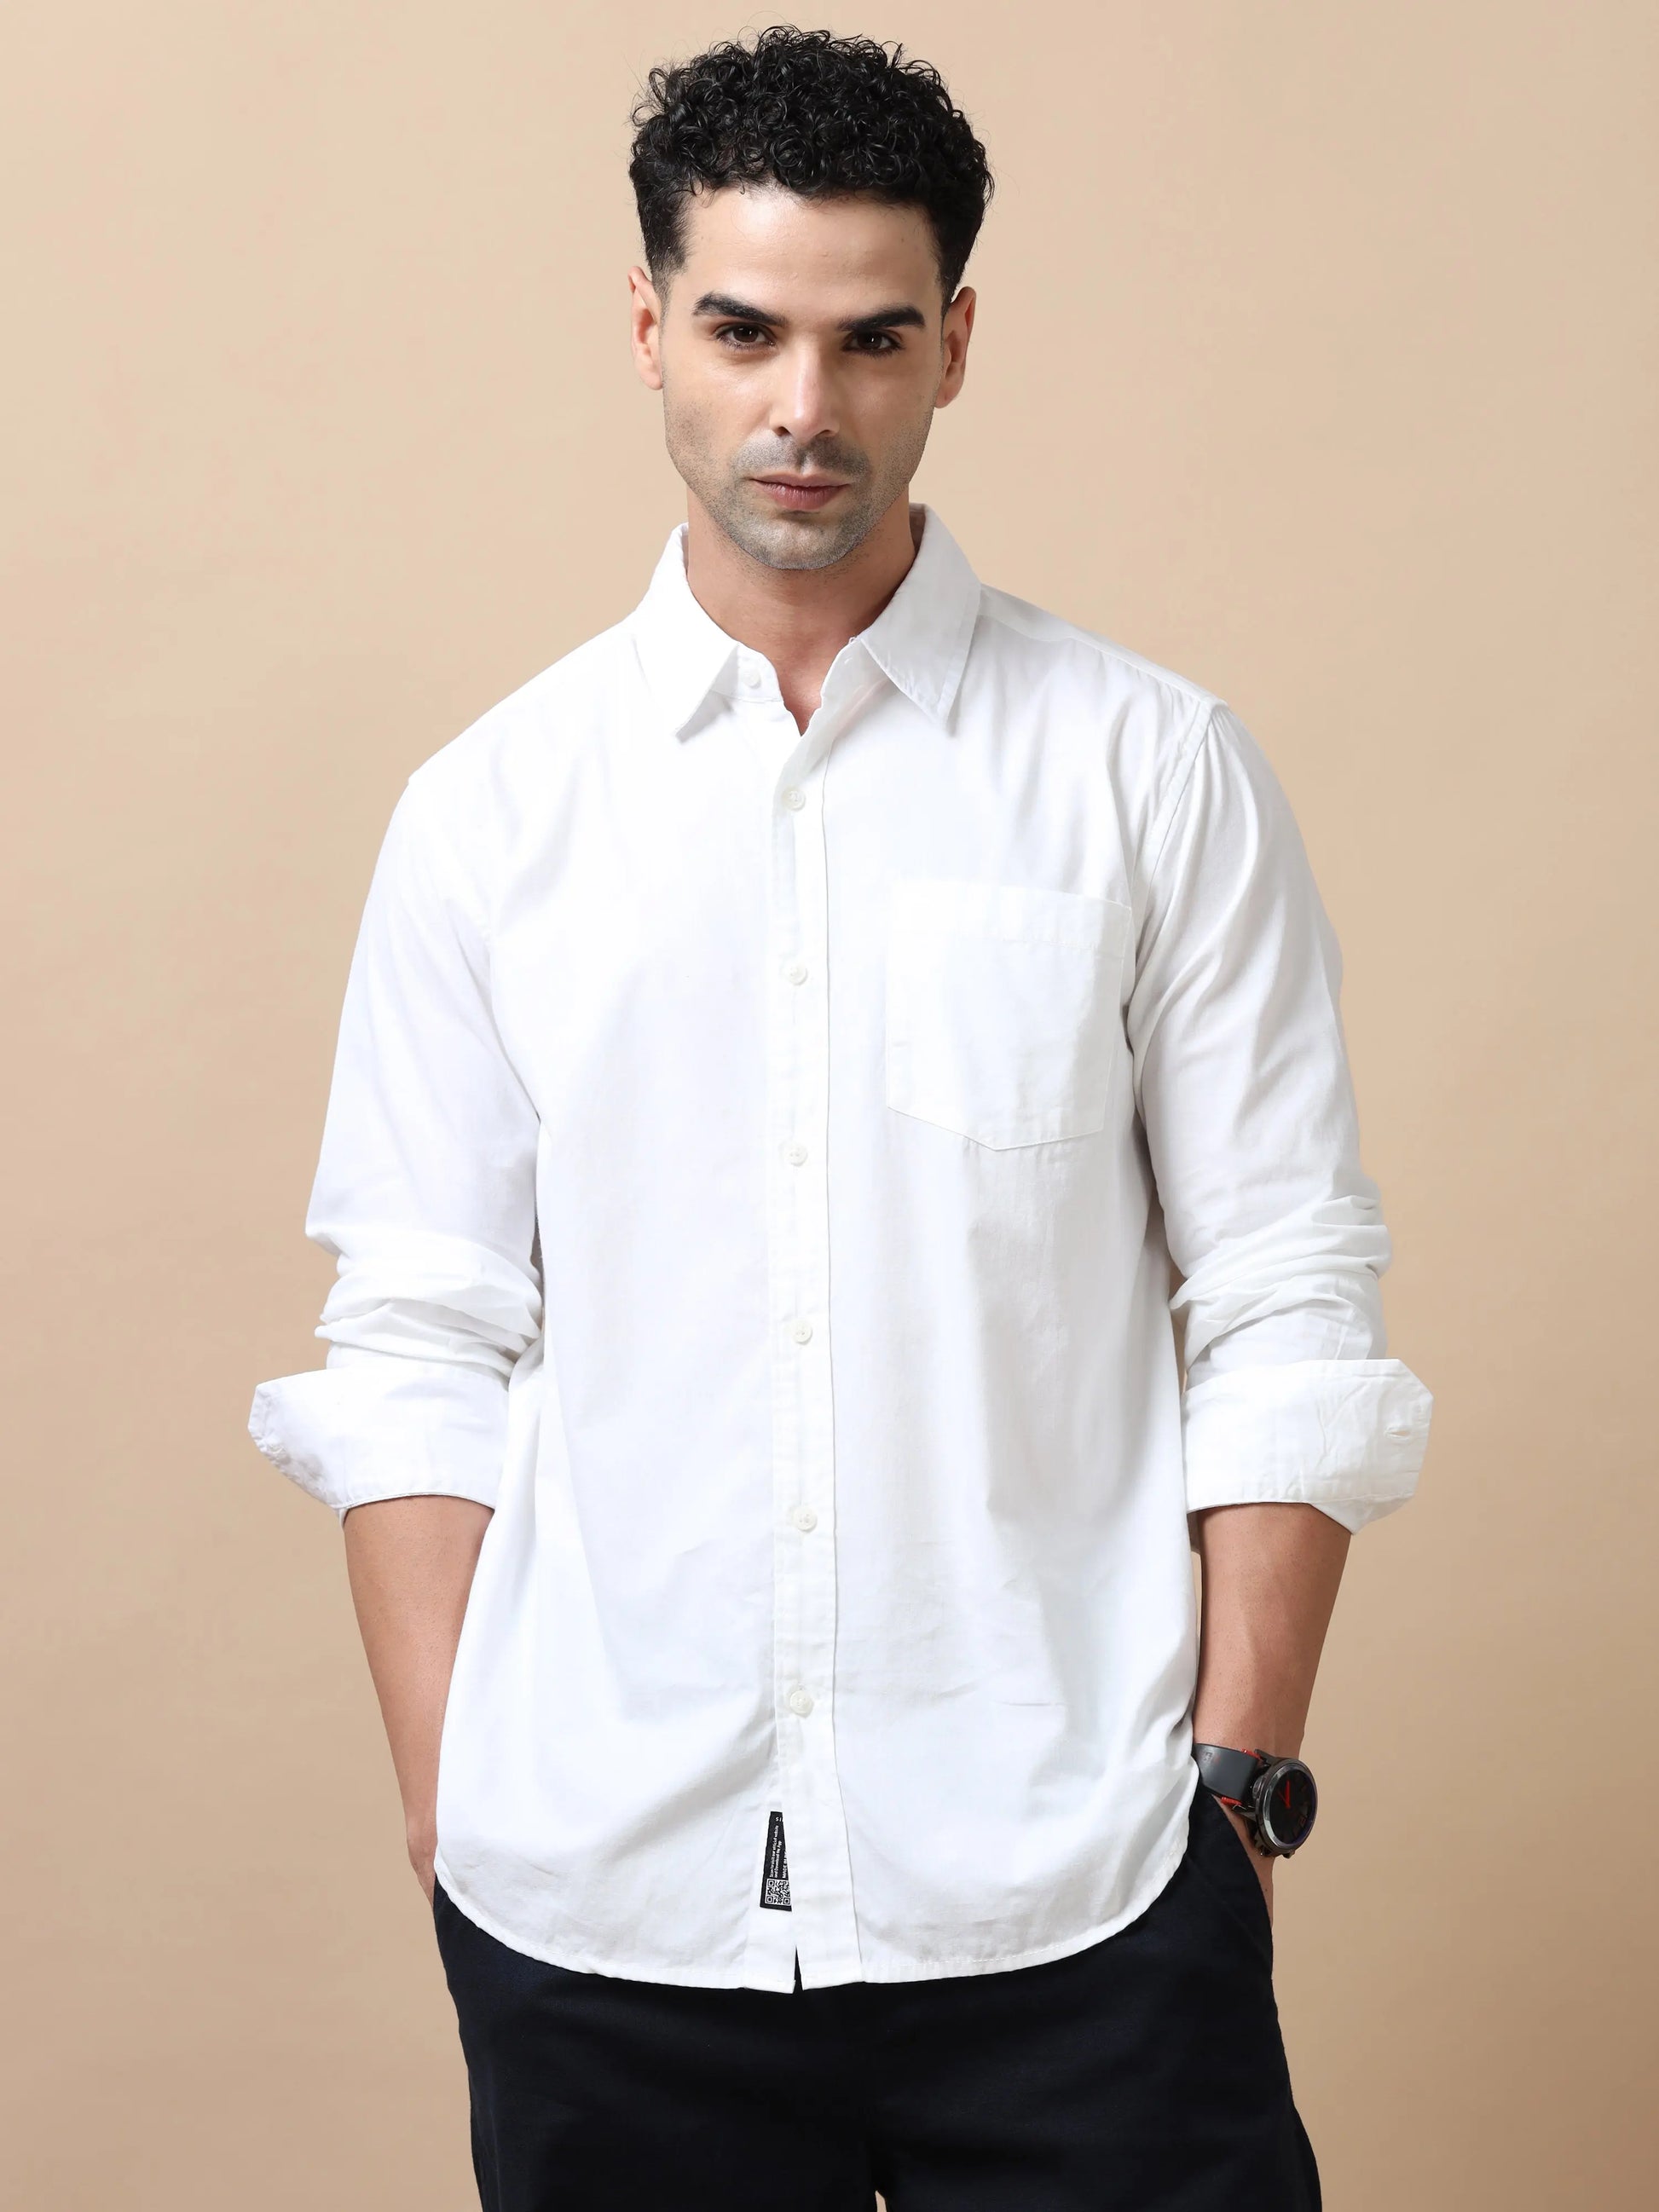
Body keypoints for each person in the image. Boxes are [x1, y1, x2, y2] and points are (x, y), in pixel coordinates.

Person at [248, 25, 1432, 2210]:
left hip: (1080, 1894)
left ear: (954, 344)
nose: (804, 406)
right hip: (605, 1911)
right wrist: (454, 1793)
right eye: (744, 331)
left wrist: (1237, 1790)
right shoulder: (491, 817)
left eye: (871, 337)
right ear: (648, 330)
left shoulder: (1147, 773)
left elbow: (1285, 1296)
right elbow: (417, 1335)